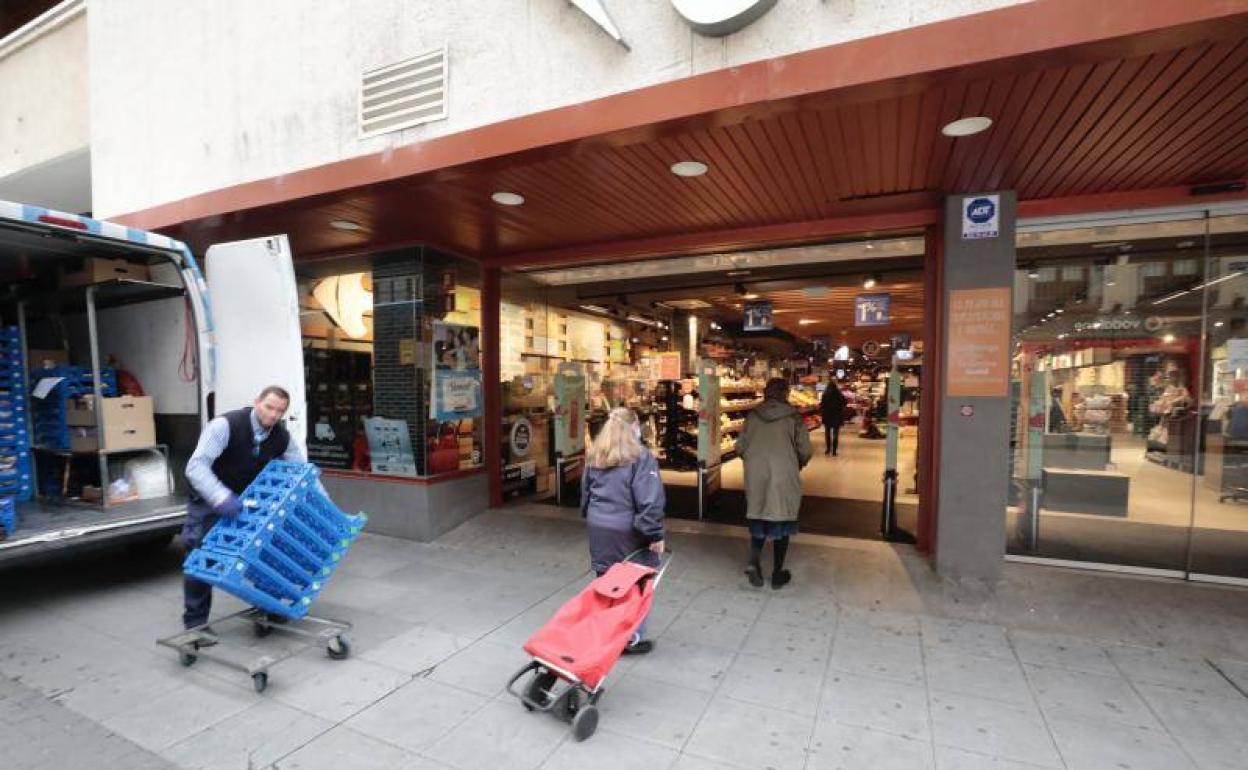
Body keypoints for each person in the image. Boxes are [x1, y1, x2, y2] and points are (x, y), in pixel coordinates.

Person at [181, 385, 313, 636]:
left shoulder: (281, 437)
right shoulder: (225, 426)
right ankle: (196, 623)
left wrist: (323, 502)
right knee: (202, 555)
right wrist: (220, 497)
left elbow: (301, 471)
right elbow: (196, 467)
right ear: (257, 402)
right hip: (211, 499)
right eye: (269, 407)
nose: (274, 415)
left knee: (264, 552)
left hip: (247, 500)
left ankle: (267, 609)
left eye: (280, 411)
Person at [580, 407, 665, 654]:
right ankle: (631, 638)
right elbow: (649, 501)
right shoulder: (641, 457)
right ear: (634, 427)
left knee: (606, 580)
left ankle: (604, 631)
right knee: (637, 584)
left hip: (600, 527)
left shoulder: (596, 453)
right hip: (629, 530)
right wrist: (654, 534)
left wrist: (592, 518)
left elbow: (586, 494)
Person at [736, 378, 812, 589]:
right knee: (782, 520)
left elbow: (740, 447)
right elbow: (805, 449)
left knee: (758, 518)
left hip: (757, 474)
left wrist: (754, 462)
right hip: (783, 474)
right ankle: (777, 573)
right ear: (786, 393)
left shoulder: (752, 416)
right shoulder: (794, 418)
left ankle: (754, 562)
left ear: (766, 393)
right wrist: (798, 462)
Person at [820, 379, 847, 455]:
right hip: (837, 415)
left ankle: (828, 449)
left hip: (827, 415)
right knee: (836, 433)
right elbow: (844, 402)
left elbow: (822, 404)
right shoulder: (839, 394)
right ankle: (834, 451)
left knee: (827, 433)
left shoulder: (825, 394)